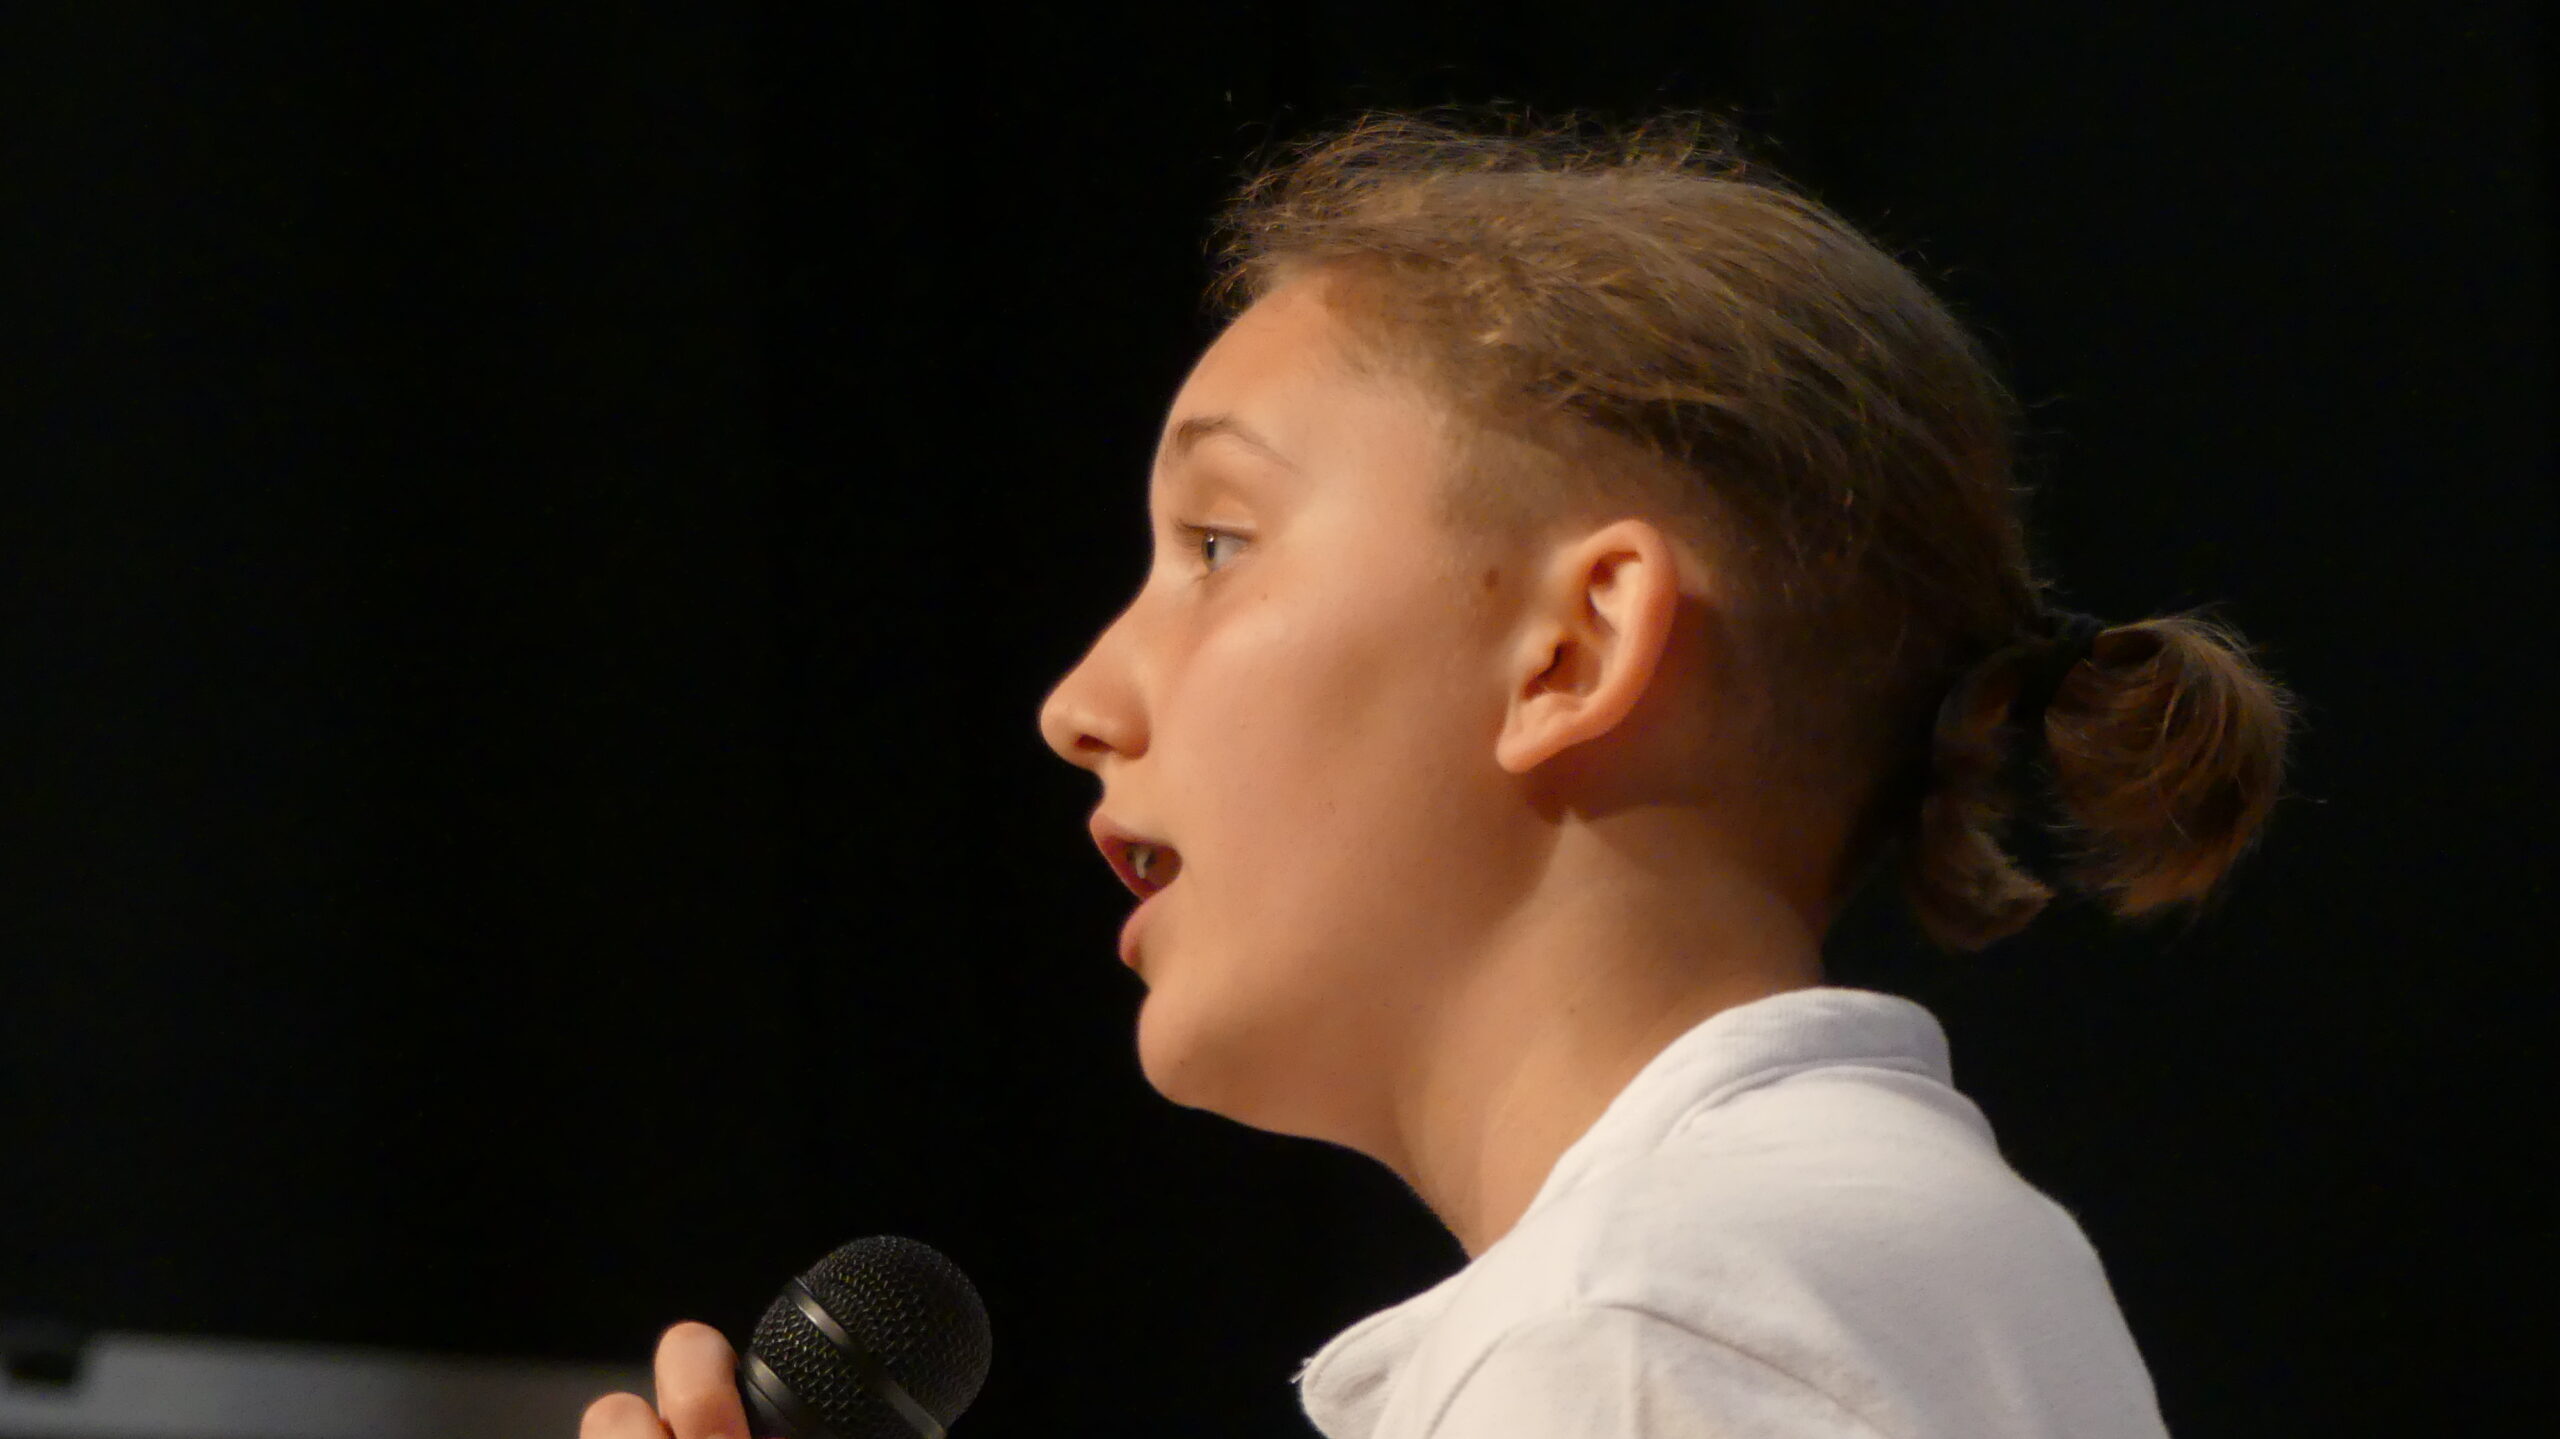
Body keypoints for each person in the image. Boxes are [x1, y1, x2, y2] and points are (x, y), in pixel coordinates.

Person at [585, 111, 2291, 1439]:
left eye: (1218, 543)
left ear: (1573, 648)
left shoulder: (1638, 1340)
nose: (1076, 704)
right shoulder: (1886, 1254)